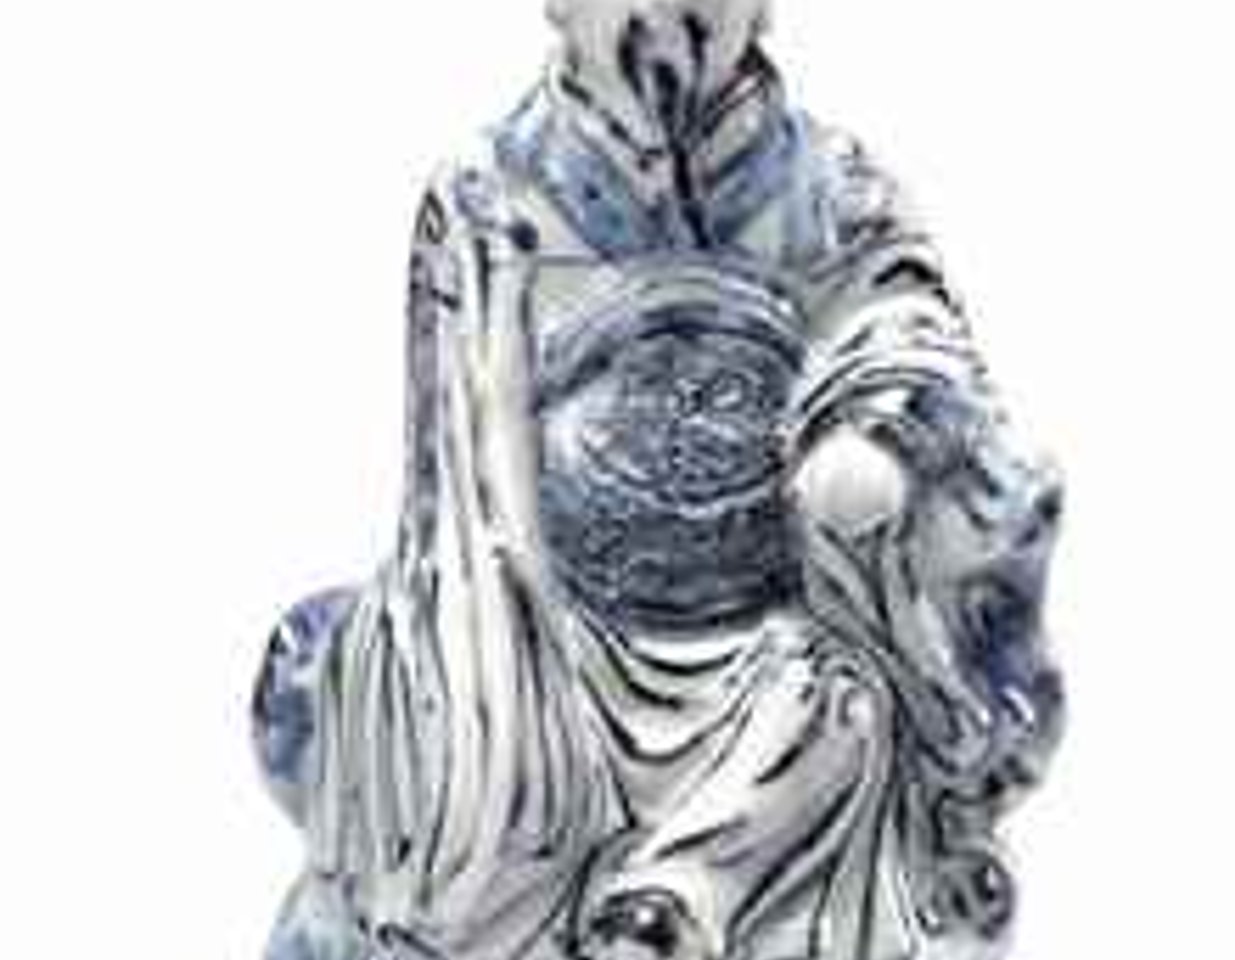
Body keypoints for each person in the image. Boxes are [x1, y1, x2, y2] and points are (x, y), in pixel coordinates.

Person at [252, 3, 1066, 959]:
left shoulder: (827, 189)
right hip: (537, 627)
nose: (666, 26)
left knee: (841, 711)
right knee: (444, 732)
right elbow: (469, 462)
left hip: (759, 629)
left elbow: (902, 317)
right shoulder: (492, 195)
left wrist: (875, 429)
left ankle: (671, 903)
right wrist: (506, 659)